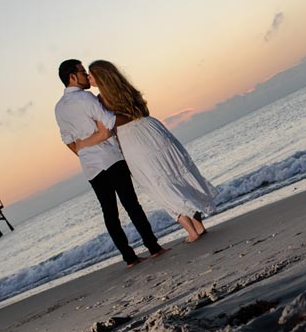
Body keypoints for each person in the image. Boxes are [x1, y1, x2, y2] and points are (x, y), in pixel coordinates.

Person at [72, 60, 217, 243]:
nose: (88, 77)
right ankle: (198, 226)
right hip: (153, 130)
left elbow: (104, 132)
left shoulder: (100, 101)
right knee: (176, 175)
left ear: (101, 77)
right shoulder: (127, 89)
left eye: (90, 74)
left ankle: (192, 232)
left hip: (133, 141)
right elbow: (143, 110)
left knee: (157, 184)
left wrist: (82, 144)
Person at [54, 59, 167, 267]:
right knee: (131, 204)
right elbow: (108, 121)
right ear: (72, 76)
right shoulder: (85, 98)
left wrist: (84, 152)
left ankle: (129, 258)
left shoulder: (59, 108)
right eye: (82, 71)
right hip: (110, 157)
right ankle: (153, 247)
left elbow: (67, 140)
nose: (86, 75)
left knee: (110, 213)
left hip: (90, 166)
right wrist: (135, 115)